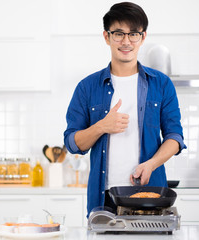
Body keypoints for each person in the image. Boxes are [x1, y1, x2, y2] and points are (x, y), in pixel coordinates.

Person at [63, 2, 186, 216]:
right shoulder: (87, 87)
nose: (126, 42)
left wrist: (151, 164)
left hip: (151, 197)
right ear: (106, 36)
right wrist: (101, 126)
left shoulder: (162, 84)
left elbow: (175, 138)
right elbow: (72, 143)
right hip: (104, 199)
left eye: (134, 34)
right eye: (119, 33)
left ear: (143, 37)